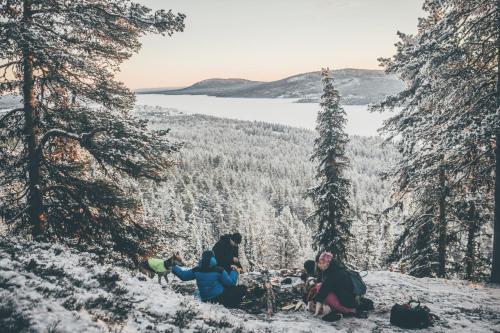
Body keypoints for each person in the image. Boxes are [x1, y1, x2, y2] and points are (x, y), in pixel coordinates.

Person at [172, 250, 246, 308]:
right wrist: (235, 271)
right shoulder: (219, 270)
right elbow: (231, 283)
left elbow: (183, 276)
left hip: (205, 298)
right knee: (242, 288)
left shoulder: (197, 270)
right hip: (219, 297)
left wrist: (172, 266)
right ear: (213, 258)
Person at [310, 252, 368, 321]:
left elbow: (322, 293)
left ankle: (350, 310)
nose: (319, 266)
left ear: (326, 263)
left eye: (319, 263)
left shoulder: (331, 275)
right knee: (321, 287)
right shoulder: (339, 268)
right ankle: (351, 308)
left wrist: (316, 313)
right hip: (352, 299)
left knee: (320, 287)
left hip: (347, 303)